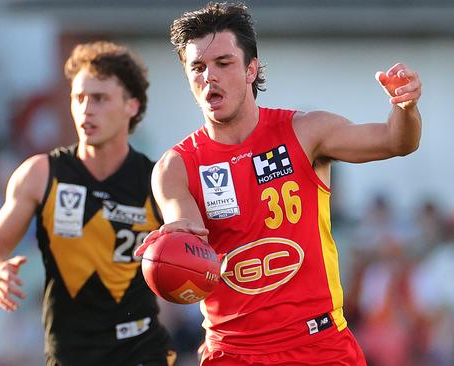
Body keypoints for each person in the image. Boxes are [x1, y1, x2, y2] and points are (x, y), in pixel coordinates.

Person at [137, 3, 422, 365]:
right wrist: (172, 245)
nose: (209, 77)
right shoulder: (175, 166)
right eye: (197, 67)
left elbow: (397, 142)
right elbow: (186, 230)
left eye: (223, 64)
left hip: (319, 346)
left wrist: (405, 107)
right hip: (232, 352)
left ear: (250, 69)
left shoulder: (305, 132)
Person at [0, 41, 175, 366]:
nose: (86, 109)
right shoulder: (40, 174)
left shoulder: (158, 179)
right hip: (70, 355)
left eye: (100, 98)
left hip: (142, 351)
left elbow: (196, 250)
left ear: (131, 106)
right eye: (78, 98)